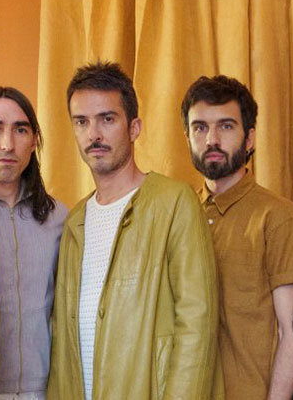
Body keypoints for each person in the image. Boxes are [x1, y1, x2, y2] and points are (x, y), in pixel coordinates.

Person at [47, 61, 223, 399]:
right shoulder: (74, 222)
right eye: (81, 122)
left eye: (107, 119)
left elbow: (197, 326)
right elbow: (62, 342)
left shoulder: (174, 202)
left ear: (134, 127)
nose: (93, 135)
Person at [181, 75, 293, 400]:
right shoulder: (180, 216)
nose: (211, 140)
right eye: (200, 128)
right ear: (187, 137)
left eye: (226, 126)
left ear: (250, 137)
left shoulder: (279, 218)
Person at [0, 86, 67, 400]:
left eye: (20, 130)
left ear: (34, 141)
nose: (7, 144)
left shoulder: (60, 218)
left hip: (47, 390)